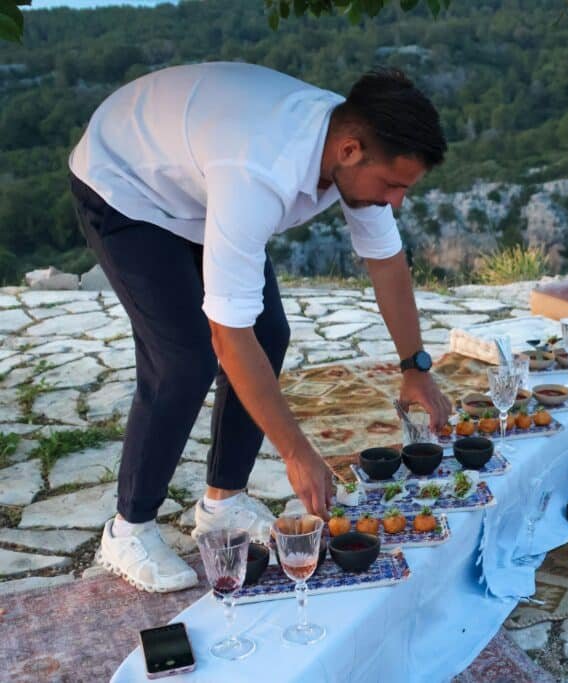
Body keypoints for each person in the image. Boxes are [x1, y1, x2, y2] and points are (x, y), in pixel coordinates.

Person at [68, 63, 453, 592]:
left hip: (199, 183)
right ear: (349, 151)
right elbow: (227, 336)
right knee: (182, 358)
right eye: (391, 185)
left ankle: (222, 502)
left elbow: (386, 262)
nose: (396, 201)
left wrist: (416, 368)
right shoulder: (258, 171)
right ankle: (128, 528)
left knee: (270, 334)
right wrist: (297, 453)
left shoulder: (357, 143)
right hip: (124, 179)